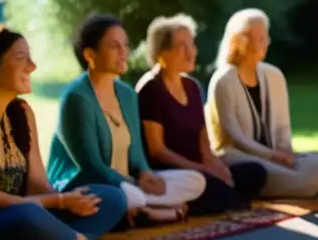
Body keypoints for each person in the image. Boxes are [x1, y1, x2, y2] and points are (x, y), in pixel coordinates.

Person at [0, 25, 128, 240]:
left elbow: (37, 184)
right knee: (28, 216)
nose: (32, 66)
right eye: (20, 58)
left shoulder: (22, 112)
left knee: (111, 198)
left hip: (31, 213)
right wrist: (59, 202)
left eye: (30, 57)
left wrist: (69, 199)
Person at [47, 15, 207, 227]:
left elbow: (137, 152)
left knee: (196, 181)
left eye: (125, 44)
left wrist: (147, 174)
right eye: (114, 46)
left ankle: (143, 211)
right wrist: (133, 183)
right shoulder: (77, 98)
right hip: (89, 185)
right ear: (89, 54)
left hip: (128, 182)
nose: (124, 52)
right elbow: (91, 166)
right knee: (132, 196)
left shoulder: (127, 94)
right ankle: (156, 212)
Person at [136, 14, 268, 215]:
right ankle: (192, 204)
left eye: (192, 45)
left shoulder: (193, 87)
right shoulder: (150, 89)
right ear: (162, 52)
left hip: (198, 169)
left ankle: (214, 200)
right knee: (214, 190)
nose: (191, 52)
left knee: (255, 173)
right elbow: (157, 150)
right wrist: (200, 169)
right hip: (172, 173)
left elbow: (204, 145)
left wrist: (218, 169)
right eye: (182, 46)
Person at [205, 8, 318, 199]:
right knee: (261, 171)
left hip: (276, 156)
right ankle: (298, 184)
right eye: (261, 38)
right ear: (240, 42)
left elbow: (282, 125)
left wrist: (285, 151)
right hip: (239, 155)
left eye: (266, 37)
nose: (267, 42)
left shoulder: (274, 75)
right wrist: (271, 156)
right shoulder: (224, 81)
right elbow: (235, 136)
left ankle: (293, 182)